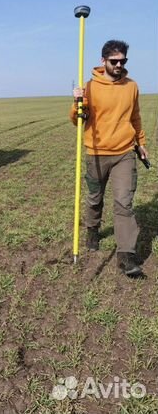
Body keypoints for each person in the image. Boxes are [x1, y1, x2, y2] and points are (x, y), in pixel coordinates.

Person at [70, 39, 148, 277]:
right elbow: (77, 121)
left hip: (124, 153)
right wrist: (77, 103)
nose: (119, 65)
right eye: (114, 61)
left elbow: (135, 117)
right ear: (103, 61)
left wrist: (141, 144)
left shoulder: (131, 86)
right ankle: (92, 230)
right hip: (96, 153)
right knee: (95, 199)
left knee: (124, 203)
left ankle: (126, 257)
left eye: (123, 61)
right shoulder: (90, 87)